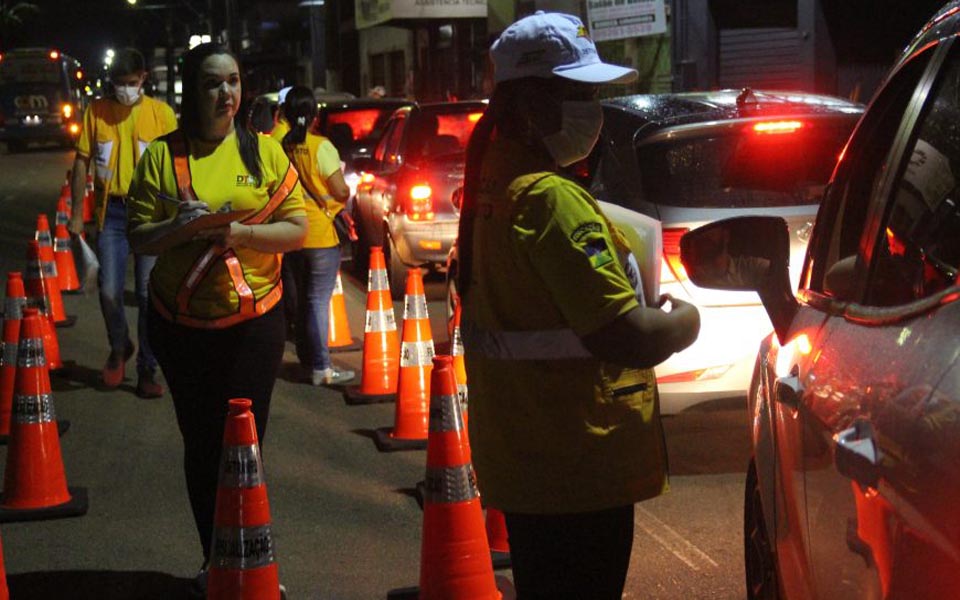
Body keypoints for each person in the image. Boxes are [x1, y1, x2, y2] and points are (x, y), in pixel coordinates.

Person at [456, 12, 701, 599]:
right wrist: (684, 319)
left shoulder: (494, 185)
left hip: (530, 458)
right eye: (582, 93)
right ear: (530, 103)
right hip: (577, 464)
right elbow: (628, 336)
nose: (593, 108)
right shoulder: (549, 200)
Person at [126, 43, 306, 597]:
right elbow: (138, 236)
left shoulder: (265, 153)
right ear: (190, 91)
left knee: (245, 450)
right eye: (212, 83)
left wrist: (243, 233)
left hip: (254, 324)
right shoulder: (160, 155)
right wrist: (180, 228)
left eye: (232, 82)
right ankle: (216, 560)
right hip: (179, 327)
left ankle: (252, 567)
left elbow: (298, 228)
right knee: (201, 447)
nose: (225, 94)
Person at [68, 47, 178, 398]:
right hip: (111, 214)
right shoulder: (97, 112)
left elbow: (178, 168)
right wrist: (75, 214)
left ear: (143, 79)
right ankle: (119, 346)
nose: (125, 90)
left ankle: (148, 369)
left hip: (151, 214)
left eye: (131, 83)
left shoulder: (161, 115)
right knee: (109, 291)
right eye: (119, 84)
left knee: (148, 298)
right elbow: (82, 162)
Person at [279, 86, 355, 385]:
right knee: (317, 302)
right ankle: (322, 367)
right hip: (320, 235)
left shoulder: (280, 146)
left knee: (300, 300)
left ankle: (309, 360)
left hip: (290, 232)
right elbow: (339, 190)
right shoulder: (321, 147)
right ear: (313, 116)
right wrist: (344, 192)